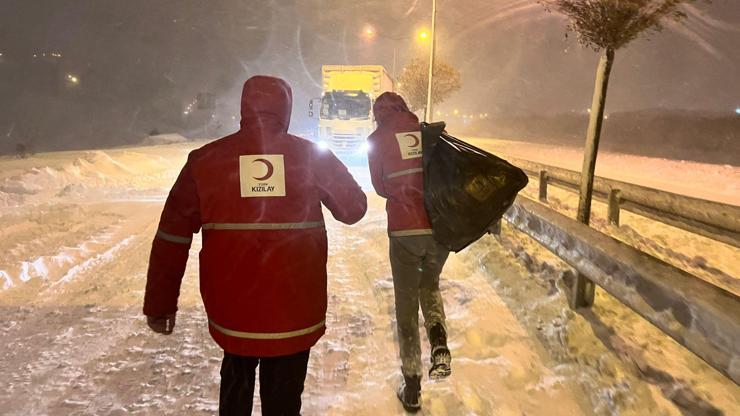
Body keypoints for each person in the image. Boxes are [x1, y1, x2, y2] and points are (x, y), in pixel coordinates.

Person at [143, 75, 367, 416]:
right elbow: (354, 209)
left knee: (235, 385)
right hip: (295, 314)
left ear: (244, 108)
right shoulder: (309, 156)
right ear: (286, 110)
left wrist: (160, 304)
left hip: (234, 314)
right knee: (284, 401)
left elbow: (172, 237)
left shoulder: (204, 161)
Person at [367, 92, 451, 413]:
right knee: (429, 286)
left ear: (379, 114)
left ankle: (413, 385)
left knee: (405, 305)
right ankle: (438, 336)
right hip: (436, 228)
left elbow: (381, 187)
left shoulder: (377, 139)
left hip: (404, 230)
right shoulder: (426, 132)